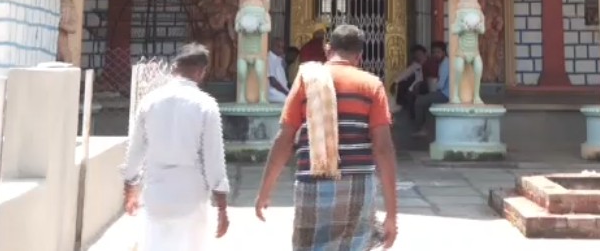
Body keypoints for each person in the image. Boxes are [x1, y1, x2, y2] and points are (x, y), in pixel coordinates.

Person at [255, 24, 399, 250]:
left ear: (328, 48)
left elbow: (284, 140)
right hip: (359, 185)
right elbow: (383, 149)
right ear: (359, 56)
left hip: (312, 184)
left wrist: (264, 191)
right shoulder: (372, 85)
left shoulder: (306, 80)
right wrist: (392, 214)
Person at [122, 43, 230, 250]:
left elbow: (135, 151)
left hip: (156, 196)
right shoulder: (206, 105)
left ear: (174, 68)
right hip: (191, 198)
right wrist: (222, 207)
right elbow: (214, 160)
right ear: (201, 72)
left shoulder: (149, 101)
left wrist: (130, 190)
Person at [410, 50, 449, 137]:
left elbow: (440, 85)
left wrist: (433, 89)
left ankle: (420, 128)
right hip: (445, 92)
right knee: (424, 100)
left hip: (445, 94)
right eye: (434, 52)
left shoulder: (445, 65)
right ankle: (424, 127)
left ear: (443, 52)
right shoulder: (442, 63)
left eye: (438, 52)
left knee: (419, 101)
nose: (436, 54)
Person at [390, 45, 427, 112]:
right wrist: (395, 81)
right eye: (416, 54)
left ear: (424, 54)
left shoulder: (427, 63)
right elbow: (406, 73)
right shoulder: (415, 65)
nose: (418, 56)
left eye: (420, 54)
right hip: (417, 87)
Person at [267, 37, 290, 104]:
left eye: (282, 47)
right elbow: (273, 81)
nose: (281, 49)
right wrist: (287, 93)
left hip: (282, 91)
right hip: (273, 92)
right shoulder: (269, 59)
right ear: (272, 46)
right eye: (278, 46)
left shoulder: (279, 59)